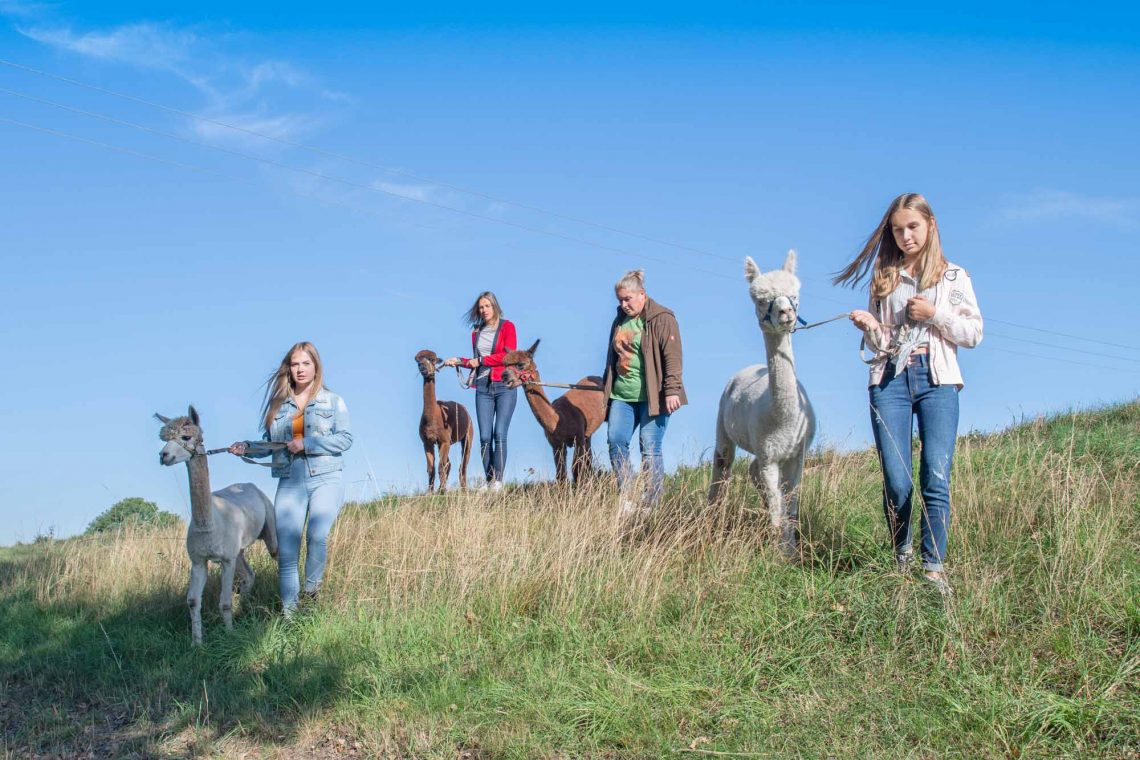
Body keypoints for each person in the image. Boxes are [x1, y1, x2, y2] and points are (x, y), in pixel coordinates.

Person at [834, 193, 983, 595]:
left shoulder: (954, 277)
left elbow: (973, 333)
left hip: (938, 381)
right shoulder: (885, 278)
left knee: (936, 474)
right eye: (898, 230)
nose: (905, 236)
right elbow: (883, 341)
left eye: (912, 227)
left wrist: (935, 315)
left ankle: (933, 569)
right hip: (889, 381)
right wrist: (869, 325)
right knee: (897, 481)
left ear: (930, 225)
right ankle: (901, 557)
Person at [229, 341, 353, 614]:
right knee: (286, 551)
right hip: (290, 480)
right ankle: (290, 615)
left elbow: (345, 439)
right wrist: (246, 448)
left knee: (317, 536)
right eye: (295, 364)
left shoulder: (332, 401)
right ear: (289, 368)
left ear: (316, 366)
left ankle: (311, 594)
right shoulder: (279, 406)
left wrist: (308, 443)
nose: (300, 369)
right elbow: (269, 444)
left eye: (306, 364)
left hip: (325, 477)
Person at [602, 269, 687, 518]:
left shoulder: (662, 318)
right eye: (620, 300)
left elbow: (673, 357)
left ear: (642, 294)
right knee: (616, 441)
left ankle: (651, 503)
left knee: (649, 447)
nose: (624, 304)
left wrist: (672, 390)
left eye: (628, 299)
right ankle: (627, 498)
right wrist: (606, 389)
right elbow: (611, 359)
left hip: (655, 396)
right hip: (622, 395)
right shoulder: (619, 321)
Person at [443, 291, 518, 491]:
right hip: (483, 387)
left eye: (487, 306)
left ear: (495, 306)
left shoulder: (507, 327)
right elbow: (476, 362)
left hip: (504, 386)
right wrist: (460, 361)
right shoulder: (476, 332)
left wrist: (482, 361)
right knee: (485, 436)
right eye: (481, 307)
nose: (484, 310)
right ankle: (489, 480)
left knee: (499, 433)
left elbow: (508, 356)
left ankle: (498, 482)